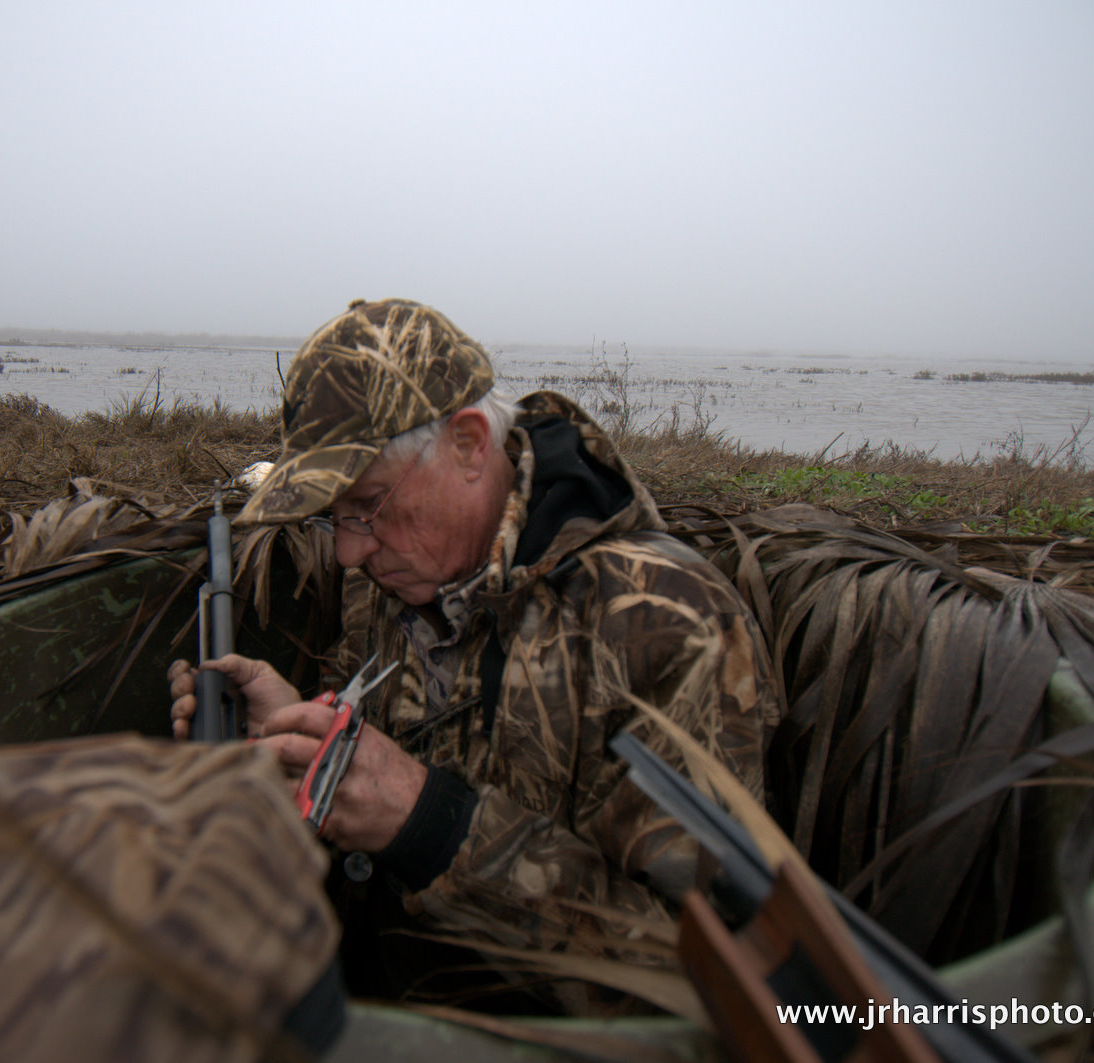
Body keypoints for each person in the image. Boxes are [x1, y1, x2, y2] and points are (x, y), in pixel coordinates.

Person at [169, 297, 779, 1013]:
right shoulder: (390, 582)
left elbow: (703, 983)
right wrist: (294, 732)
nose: (348, 550)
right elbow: (362, 742)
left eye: (366, 504)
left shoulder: (669, 628)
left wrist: (434, 826)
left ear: (466, 445)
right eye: (332, 517)